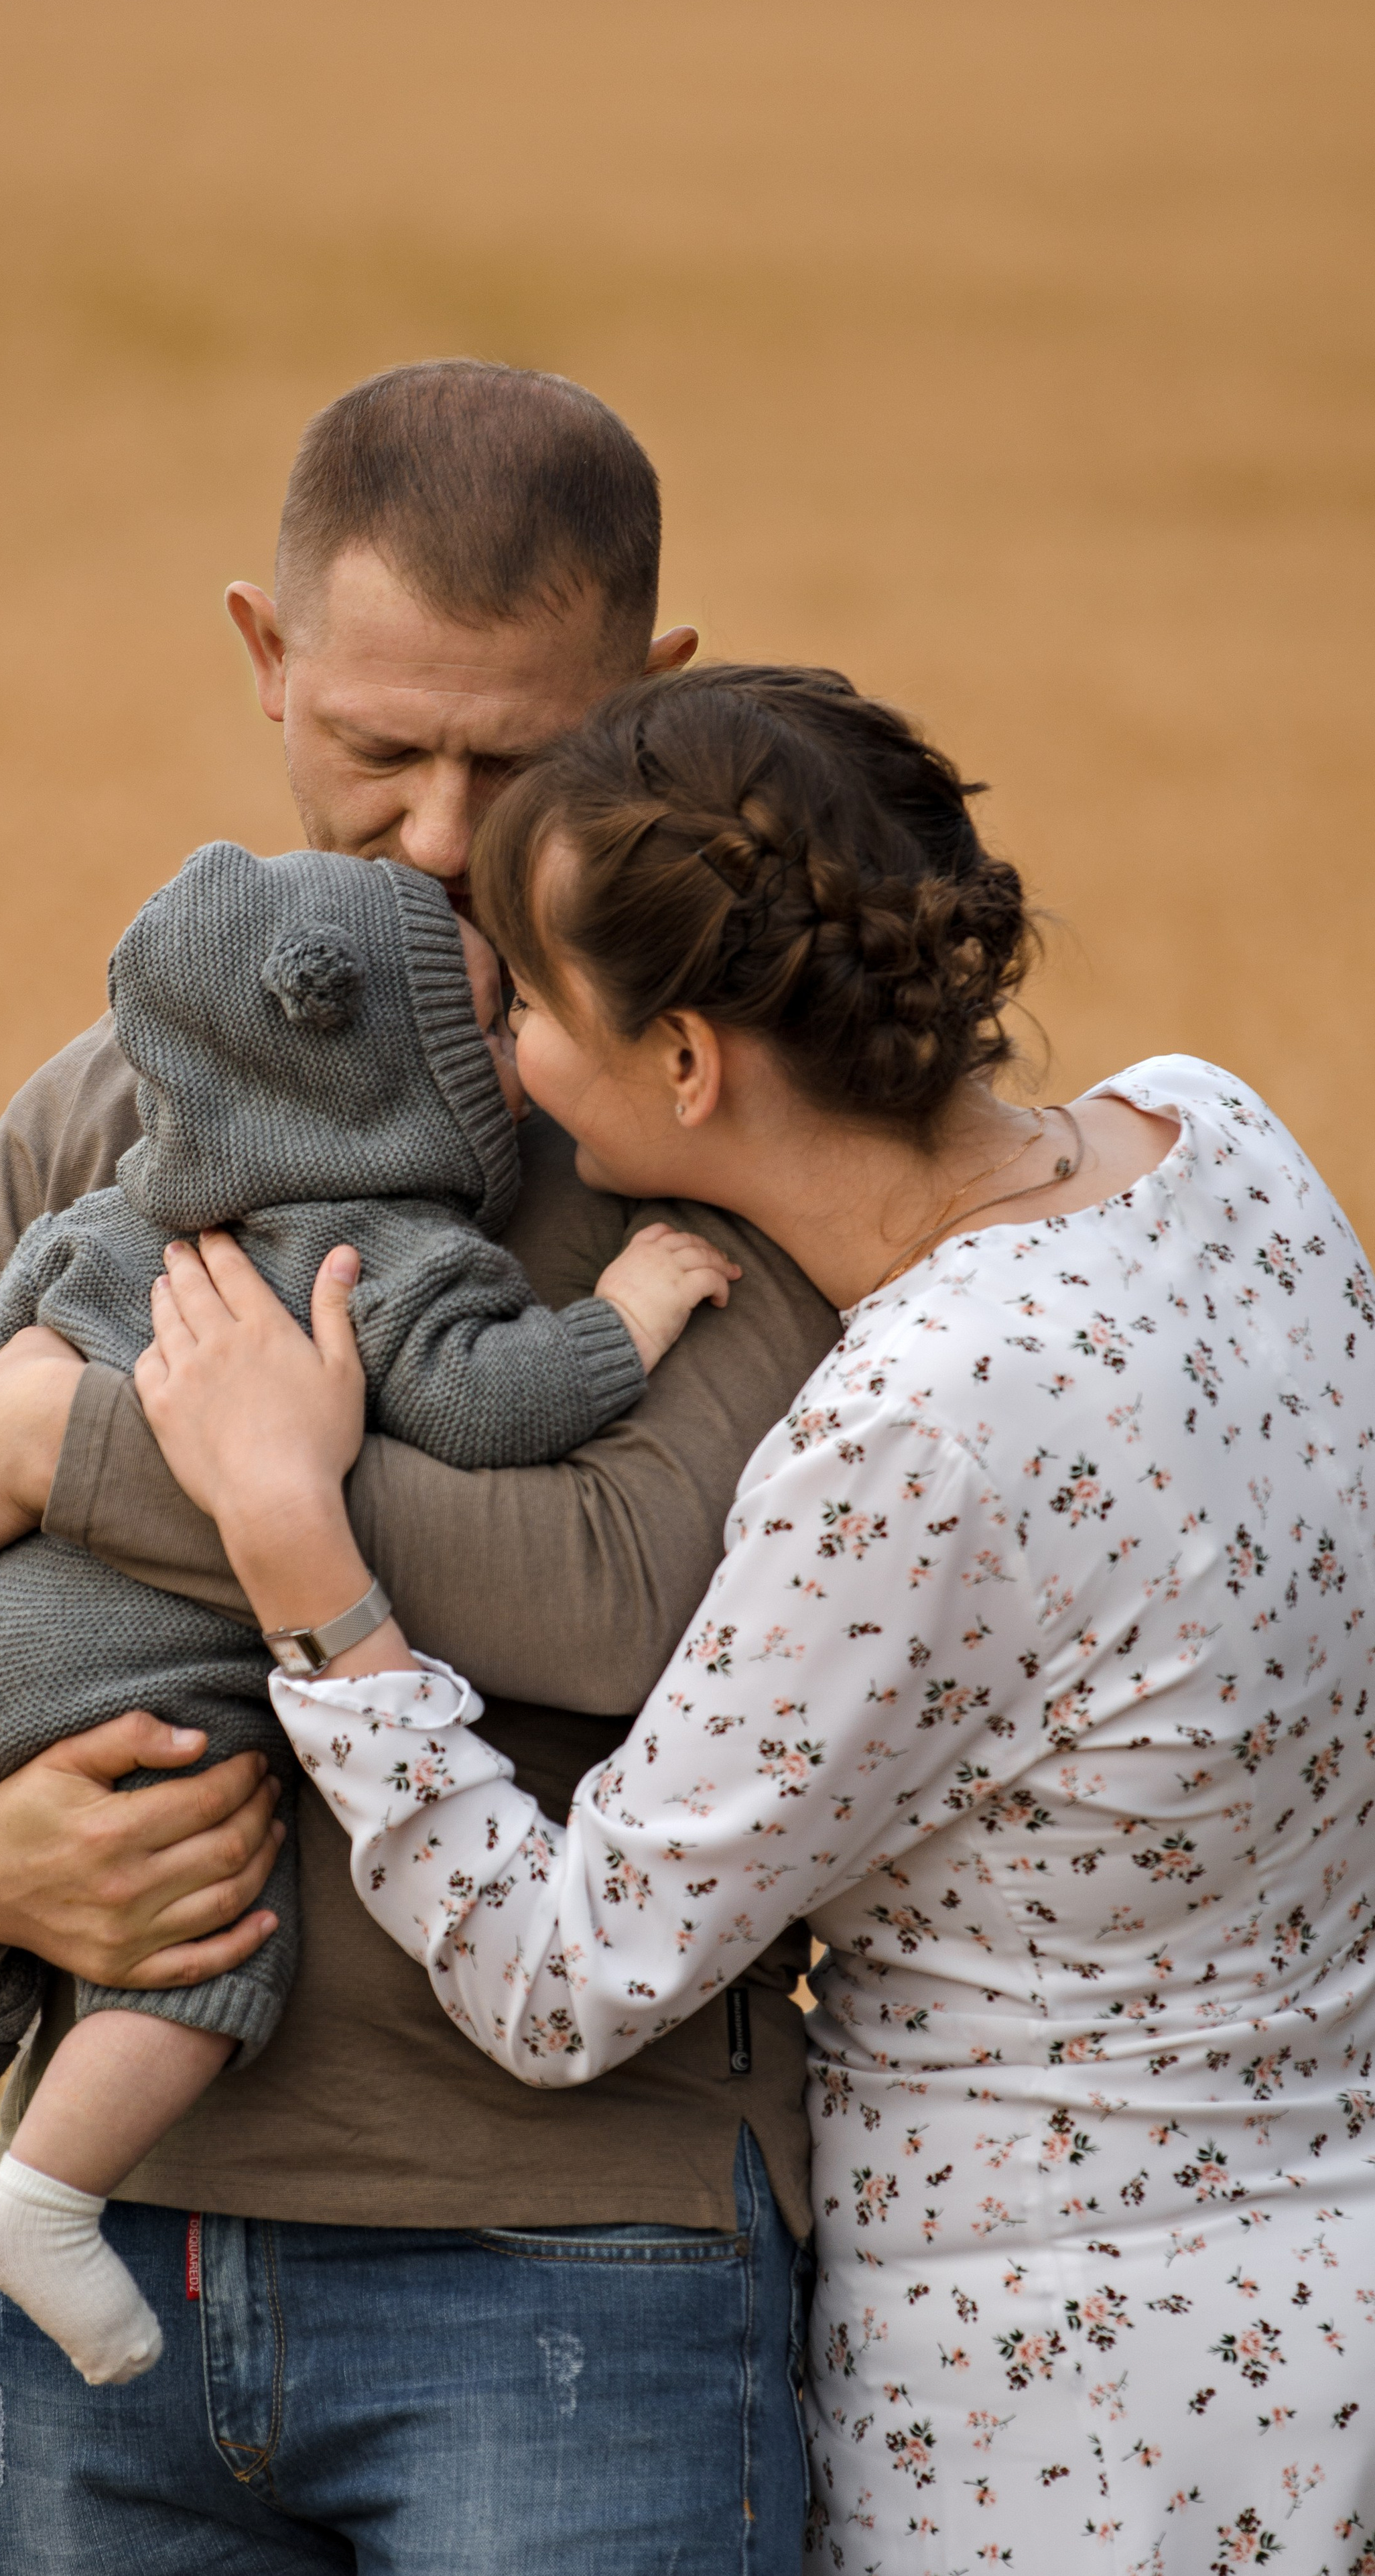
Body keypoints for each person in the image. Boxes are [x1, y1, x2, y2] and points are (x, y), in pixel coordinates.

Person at [0, 365, 836, 2569]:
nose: (434, 834)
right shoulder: (101, 1115)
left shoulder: (712, 1113)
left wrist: (94, 1446)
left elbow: (616, 1590)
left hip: (575, 2281)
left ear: (654, 708)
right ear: (266, 661)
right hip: (115, 2267)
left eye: (512, 763)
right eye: (377, 749)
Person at [131, 663, 1375, 2571]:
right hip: (1327, 2305)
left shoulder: (921, 1425)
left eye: (532, 1006)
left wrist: (304, 1553)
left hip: (1058, 2422)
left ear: (690, 1061)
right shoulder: (1215, 1137)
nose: (510, 1047)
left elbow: (574, 1973)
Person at [0, 837, 734, 2389]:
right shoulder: (380, 1249)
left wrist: (5, 1482)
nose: (510, 1052)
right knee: (199, 1920)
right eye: (482, 1027)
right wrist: (630, 1313)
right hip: (138, 1664)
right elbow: (492, 1398)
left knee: (12, 1862)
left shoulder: (119, 1212)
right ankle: (44, 2195)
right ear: (403, 1082)